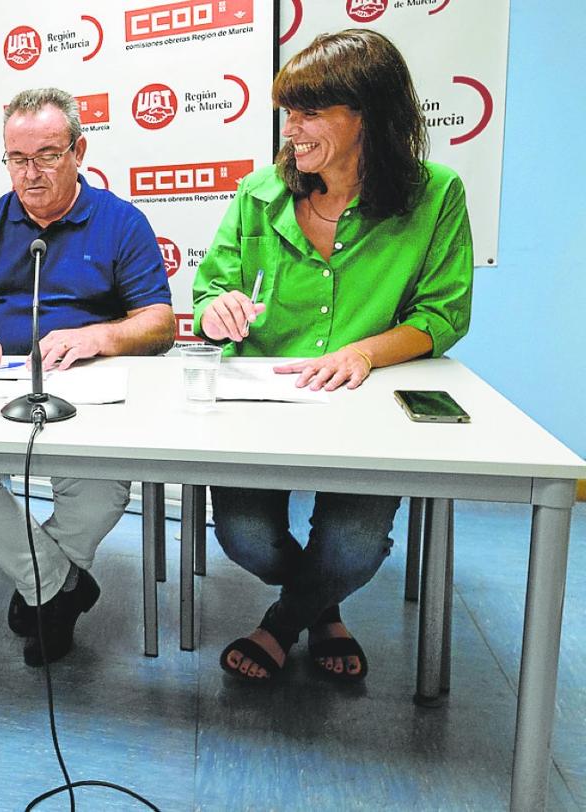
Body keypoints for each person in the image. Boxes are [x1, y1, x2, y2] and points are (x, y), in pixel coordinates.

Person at [193, 29, 473, 683]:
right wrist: (217, 309)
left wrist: (366, 353)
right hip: (259, 398)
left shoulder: (436, 195)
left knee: (351, 549)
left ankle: (282, 624)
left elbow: (443, 314)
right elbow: (210, 291)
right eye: (289, 112)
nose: (292, 130)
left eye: (311, 112)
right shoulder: (258, 193)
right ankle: (322, 611)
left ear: (369, 116)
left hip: (363, 400)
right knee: (246, 540)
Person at [0, 88, 176, 667]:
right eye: (17, 159)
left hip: (89, 386)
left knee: (103, 493)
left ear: (79, 151)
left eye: (47, 156)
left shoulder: (119, 220)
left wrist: (99, 337)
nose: (29, 174)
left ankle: (44, 591)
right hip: (1, 384)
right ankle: (58, 588)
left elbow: (159, 322)